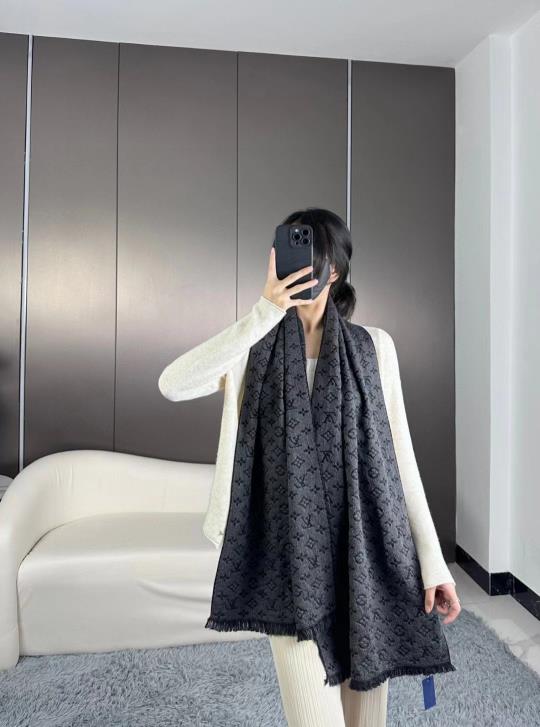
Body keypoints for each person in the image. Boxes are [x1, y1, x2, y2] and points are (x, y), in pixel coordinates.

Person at [158, 208, 461, 727]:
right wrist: (262, 312)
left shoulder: (374, 348)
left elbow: (400, 461)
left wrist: (432, 565)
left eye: (311, 258)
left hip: (366, 555)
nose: (297, 268)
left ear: (334, 270)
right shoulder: (252, 348)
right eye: (288, 254)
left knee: (366, 720)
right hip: (288, 561)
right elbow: (173, 383)